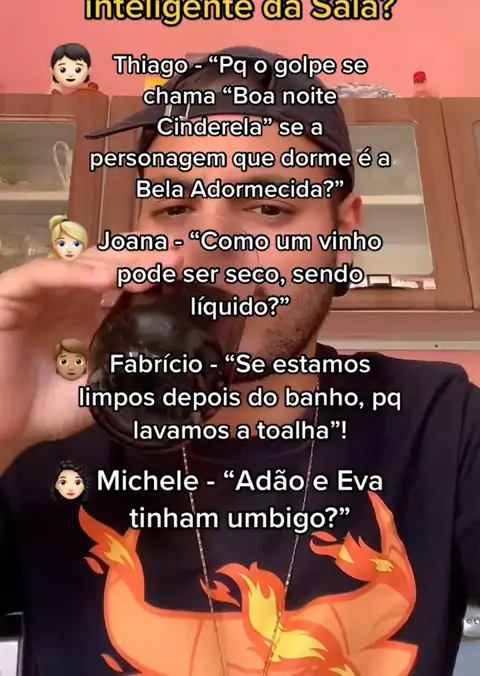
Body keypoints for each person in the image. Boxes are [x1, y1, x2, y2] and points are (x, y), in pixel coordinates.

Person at [0, 46, 478, 676]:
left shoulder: (441, 425)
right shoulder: (41, 441)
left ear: (344, 235)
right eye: (174, 208)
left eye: (268, 207)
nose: (209, 247)